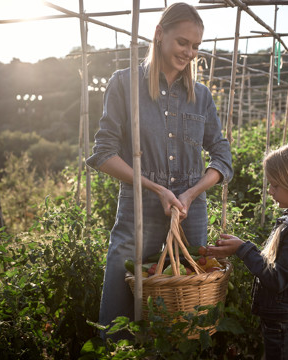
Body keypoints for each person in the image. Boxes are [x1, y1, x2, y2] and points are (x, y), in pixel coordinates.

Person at [86, 2, 233, 340]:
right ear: (159, 34)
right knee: (119, 307)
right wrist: (157, 189)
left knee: (186, 310)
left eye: (196, 46)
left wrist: (191, 193)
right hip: (139, 209)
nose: (190, 52)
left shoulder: (201, 97)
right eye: (183, 42)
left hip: (188, 213)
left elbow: (222, 155)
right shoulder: (124, 84)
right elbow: (103, 153)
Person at [208, 140, 288, 359]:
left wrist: (243, 249)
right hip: (286, 322)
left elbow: (277, 278)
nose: (270, 191)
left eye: (275, 185)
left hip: (286, 327)